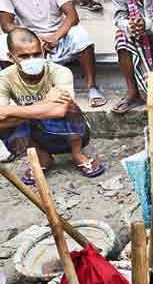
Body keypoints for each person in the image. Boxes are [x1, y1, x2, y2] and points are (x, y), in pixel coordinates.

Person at [0, 0, 105, 109]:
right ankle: (18, 94)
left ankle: (92, 88)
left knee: (81, 35)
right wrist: (36, 40)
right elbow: (6, 25)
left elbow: (72, 16)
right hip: (28, 44)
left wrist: (55, 37)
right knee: (2, 44)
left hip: (58, 38)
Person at [0, 28, 104, 184]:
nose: (31, 60)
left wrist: (13, 111)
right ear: (11, 56)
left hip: (58, 124)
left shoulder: (60, 71)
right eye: (23, 56)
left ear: (42, 51)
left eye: (36, 54)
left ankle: (77, 154)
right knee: (4, 126)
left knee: (70, 108)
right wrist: (45, 103)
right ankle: (43, 158)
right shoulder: (4, 78)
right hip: (33, 123)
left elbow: (59, 110)